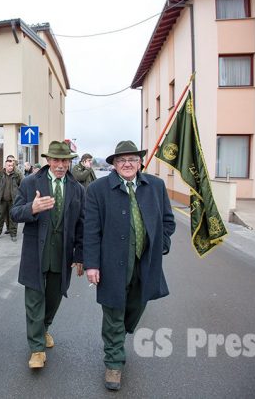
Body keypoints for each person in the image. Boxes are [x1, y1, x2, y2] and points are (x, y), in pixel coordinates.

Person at [83, 140, 176, 391]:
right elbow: (90, 230)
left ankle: (116, 337)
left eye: (132, 159)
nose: (127, 164)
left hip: (144, 263)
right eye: (122, 160)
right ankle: (114, 362)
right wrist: (91, 264)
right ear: (114, 164)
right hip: (111, 264)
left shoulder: (155, 186)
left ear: (140, 163)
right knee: (114, 311)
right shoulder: (98, 189)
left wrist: (161, 245)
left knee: (136, 307)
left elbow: (168, 221)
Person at [11, 141, 85, 369]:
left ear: (69, 162)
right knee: (34, 299)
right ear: (48, 160)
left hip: (62, 253)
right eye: (56, 160)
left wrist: (80, 255)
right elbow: (15, 213)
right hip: (36, 251)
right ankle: (36, 349)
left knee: (54, 297)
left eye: (65, 161)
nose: (60, 165)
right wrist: (32, 209)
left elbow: (82, 224)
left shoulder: (77, 188)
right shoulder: (31, 182)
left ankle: (43, 329)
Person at [0, 158, 22, 241]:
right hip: (2, 200)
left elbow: (22, 186)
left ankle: (13, 234)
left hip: (13, 200)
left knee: (13, 217)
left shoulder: (17, 175)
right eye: (9, 165)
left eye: (12, 165)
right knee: (0, 217)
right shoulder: (0, 174)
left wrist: (19, 197)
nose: (11, 167)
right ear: (5, 166)